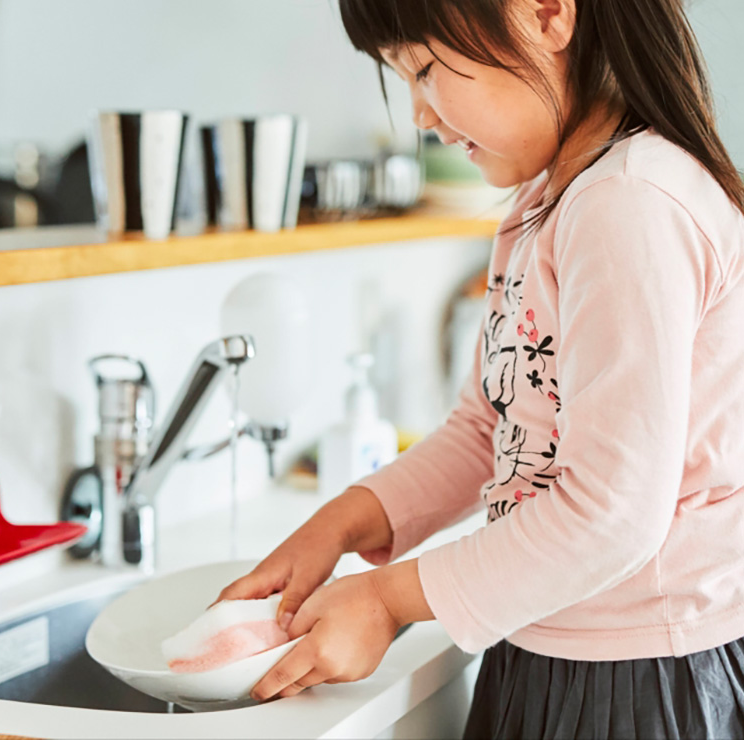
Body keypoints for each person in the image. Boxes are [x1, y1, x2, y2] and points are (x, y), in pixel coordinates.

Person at [214, 0, 744, 736]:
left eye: (425, 69)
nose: (421, 116)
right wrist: (337, 526)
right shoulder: (545, 204)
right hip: (547, 646)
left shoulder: (629, 202)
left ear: (548, 13)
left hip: (638, 675)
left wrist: (388, 600)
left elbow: (614, 514)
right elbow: (482, 431)